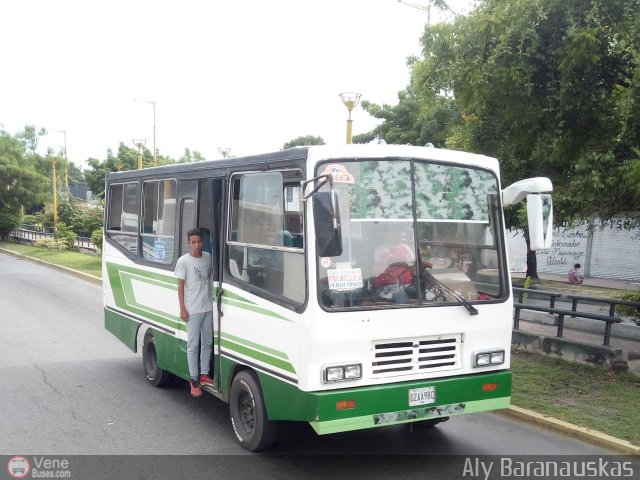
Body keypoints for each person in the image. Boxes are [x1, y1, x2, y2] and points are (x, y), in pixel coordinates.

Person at [175, 228, 215, 398]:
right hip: (192, 309)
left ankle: (204, 374)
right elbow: (180, 286)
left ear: (203, 241)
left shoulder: (208, 257)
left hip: (208, 307)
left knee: (207, 341)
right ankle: (193, 379)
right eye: (193, 242)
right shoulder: (184, 261)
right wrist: (182, 308)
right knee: (193, 344)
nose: (197, 245)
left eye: (199, 241)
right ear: (188, 243)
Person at [373, 225, 415, 302]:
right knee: (400, 294)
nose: (398, 233)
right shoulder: (381, 249)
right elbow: (392, 261)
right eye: (394, 231)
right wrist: (409, 262)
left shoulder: (407, 248)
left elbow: (414, 263)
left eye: (400, 231)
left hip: (407, 285)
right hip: (386, 286)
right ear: (386, 234)